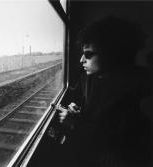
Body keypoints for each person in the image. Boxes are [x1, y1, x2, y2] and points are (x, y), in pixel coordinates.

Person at [57, 16, 151, 167]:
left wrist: (74, 124)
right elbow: (83, 102)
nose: (81, 60)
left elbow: (117, 142)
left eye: (88, 54)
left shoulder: (136, 90)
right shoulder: (90, 78)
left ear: (111, 55)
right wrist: (79, 112)